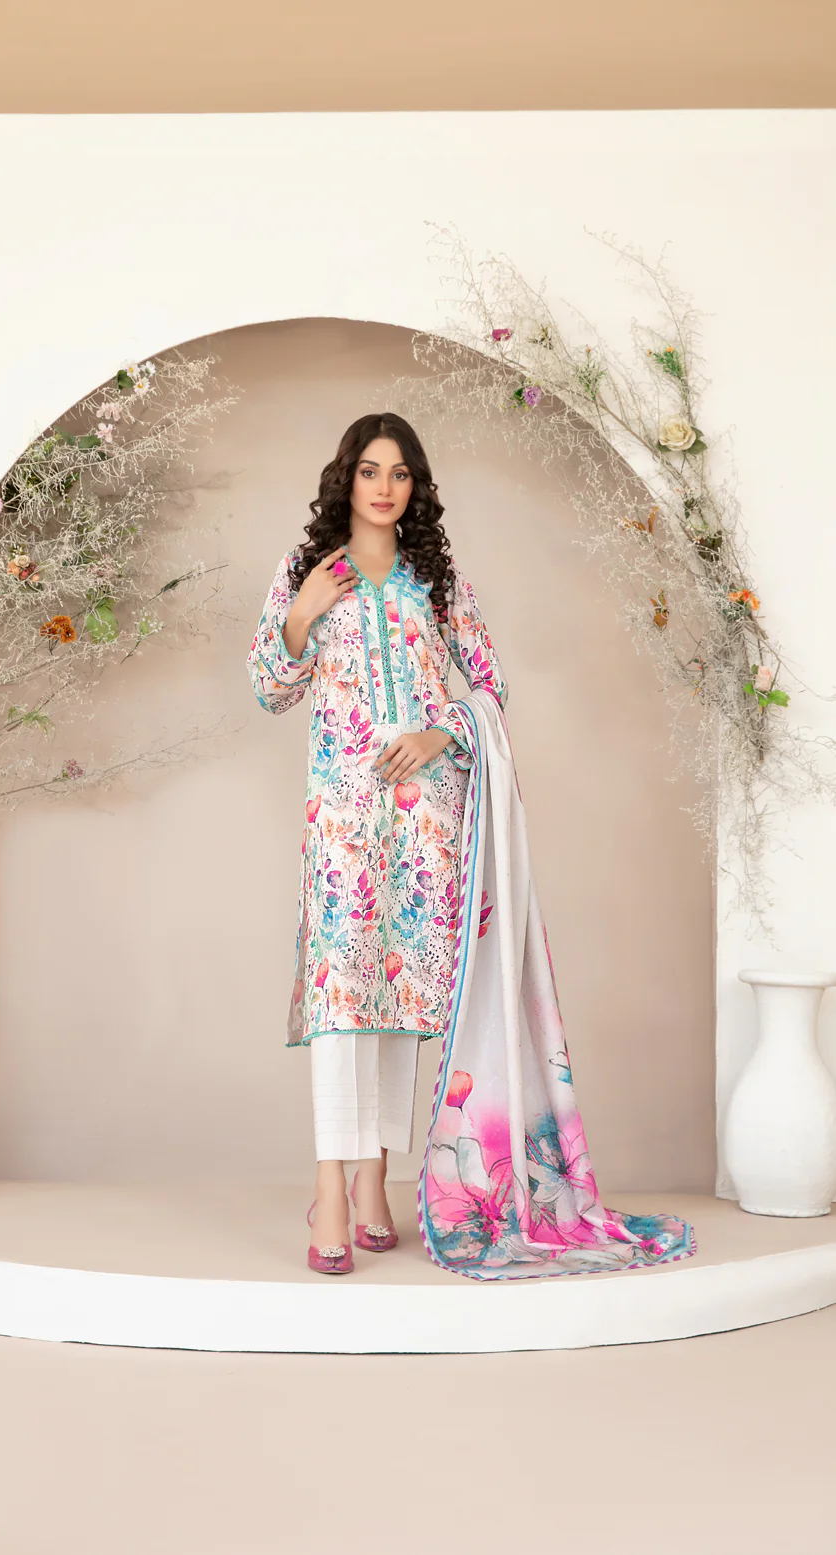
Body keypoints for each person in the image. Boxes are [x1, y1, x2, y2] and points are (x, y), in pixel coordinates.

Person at [246, 411, 507, 1275]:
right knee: (342, 992)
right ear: (346, 478)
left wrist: (438, 736)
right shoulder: (307, 569)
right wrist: (302, 615)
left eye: (399, 473)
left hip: (426, 816)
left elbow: (491, 687)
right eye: (370, 470)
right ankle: (329, 1182)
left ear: (415, 485)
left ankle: (374, 1180)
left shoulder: (436, 577)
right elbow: (267, 688)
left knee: (402, 998)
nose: (385, 487)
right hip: (344, 815)